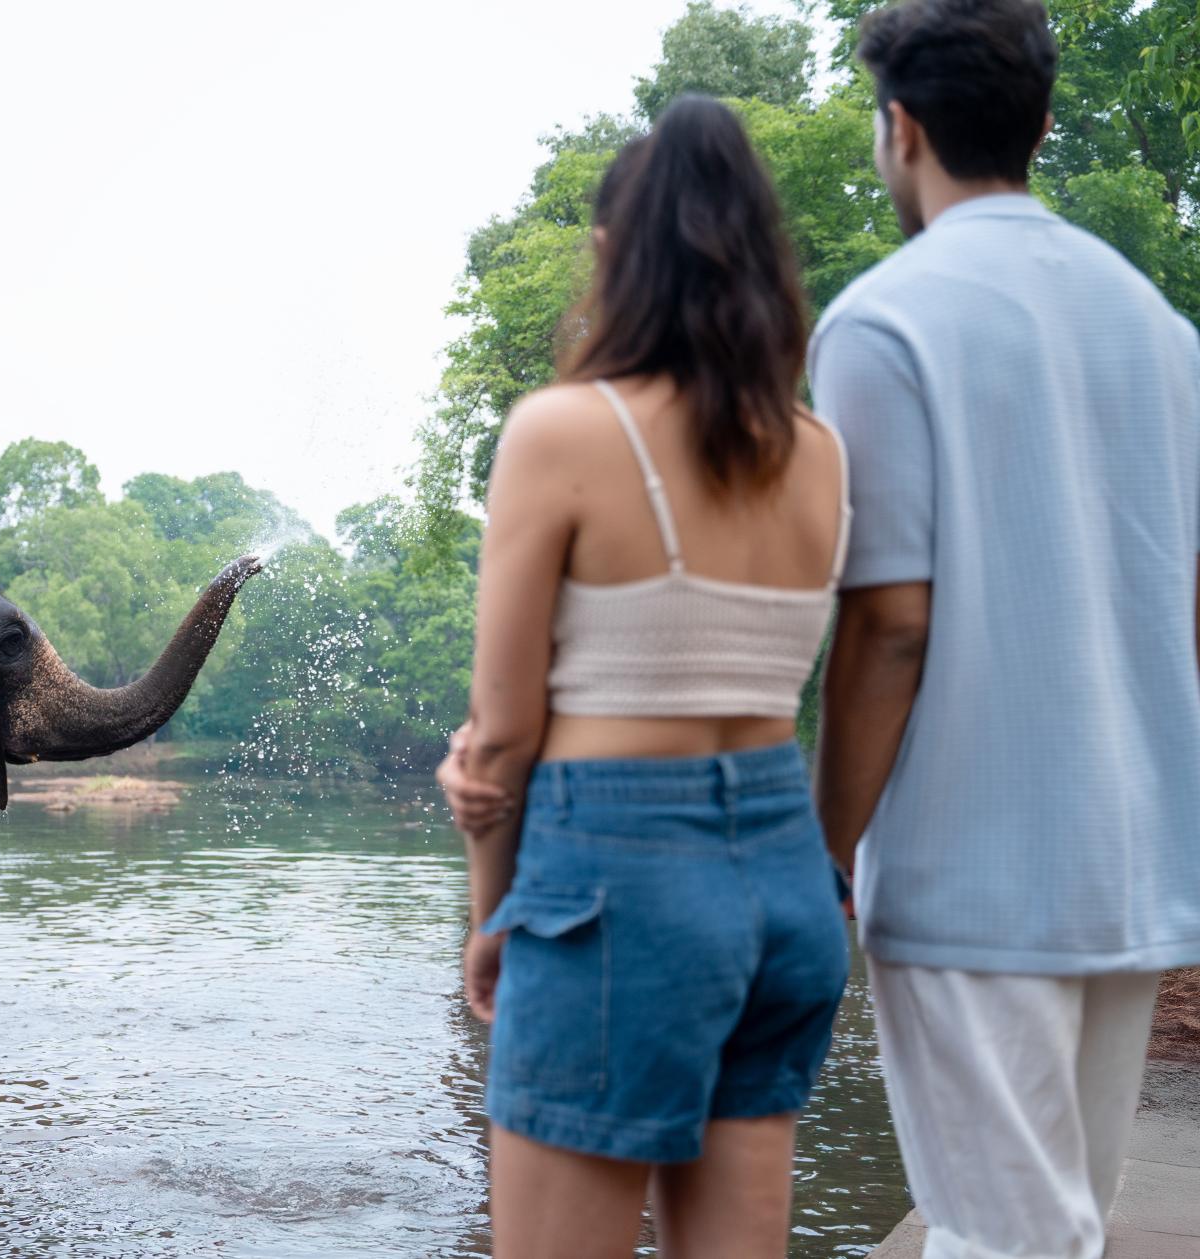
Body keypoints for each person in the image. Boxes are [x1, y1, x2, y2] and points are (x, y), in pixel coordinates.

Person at [809, 0, 1200, 1254]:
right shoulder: (1160, 328)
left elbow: (889, 623)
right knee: (1060, 1218)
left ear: (900, 128)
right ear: (1038, 121)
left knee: (997, 1233)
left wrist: (824, 843)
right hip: (1131, 847)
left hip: (970, 864)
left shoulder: (883, 320)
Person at [437, 97, 851, 1258]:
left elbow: (503, 736)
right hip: (782, 880)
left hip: (619, 880)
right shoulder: (818, 451)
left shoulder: (561, 431)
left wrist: (493, 912)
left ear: (614, 258)